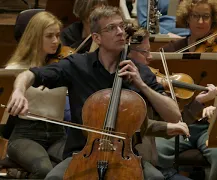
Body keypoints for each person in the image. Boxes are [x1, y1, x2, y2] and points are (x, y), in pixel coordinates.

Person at [6, 6, 182, 180]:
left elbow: (174, 116)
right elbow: (30, 74)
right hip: (82, 153)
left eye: (121, 26)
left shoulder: (140, 72)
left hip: (126, 156)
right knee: (53, 177)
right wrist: (19, 91)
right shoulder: (77, 65)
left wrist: (142, 85)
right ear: (97, 38)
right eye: (111, 28)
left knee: (156, 178)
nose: (120, 32)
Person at [156, 0, 217, 179]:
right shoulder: (173, 50)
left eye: (206, 16)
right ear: (187, 18)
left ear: (213, 19)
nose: (201, 22)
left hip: (211, 126)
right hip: (180, 121)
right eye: (196, 16)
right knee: (155, 150)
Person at [129, 27, 217, 180]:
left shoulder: (149, 81)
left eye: (150, 51)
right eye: (145, 52)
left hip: (155, 161)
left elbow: (178, 119)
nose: (150, 57)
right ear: (127, 52)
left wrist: (198, 102)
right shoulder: (129, 85)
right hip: (139, 160)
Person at [4, 11, 67, 179]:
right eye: (49, 36)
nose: (56, 41)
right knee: (44, 170)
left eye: (57, 35)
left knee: (74, 166)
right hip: (26, 134)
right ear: (35, 37)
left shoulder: (60, 69)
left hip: (58, 133)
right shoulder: (15, 69)